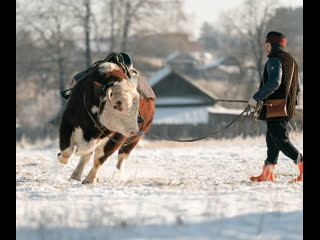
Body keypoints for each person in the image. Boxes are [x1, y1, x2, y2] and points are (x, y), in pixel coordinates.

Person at [248, 31, 303, 182]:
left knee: (280, 140)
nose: (266, 48)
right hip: (286, 107)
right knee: (271, 139)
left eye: (267, 45)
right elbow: (297, 88)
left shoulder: (274, 60)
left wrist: (256, 98)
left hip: (276, 108)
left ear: (273, 46)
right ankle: (267, 174)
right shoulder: (291, 61)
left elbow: (274, 83)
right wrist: (290, 104)